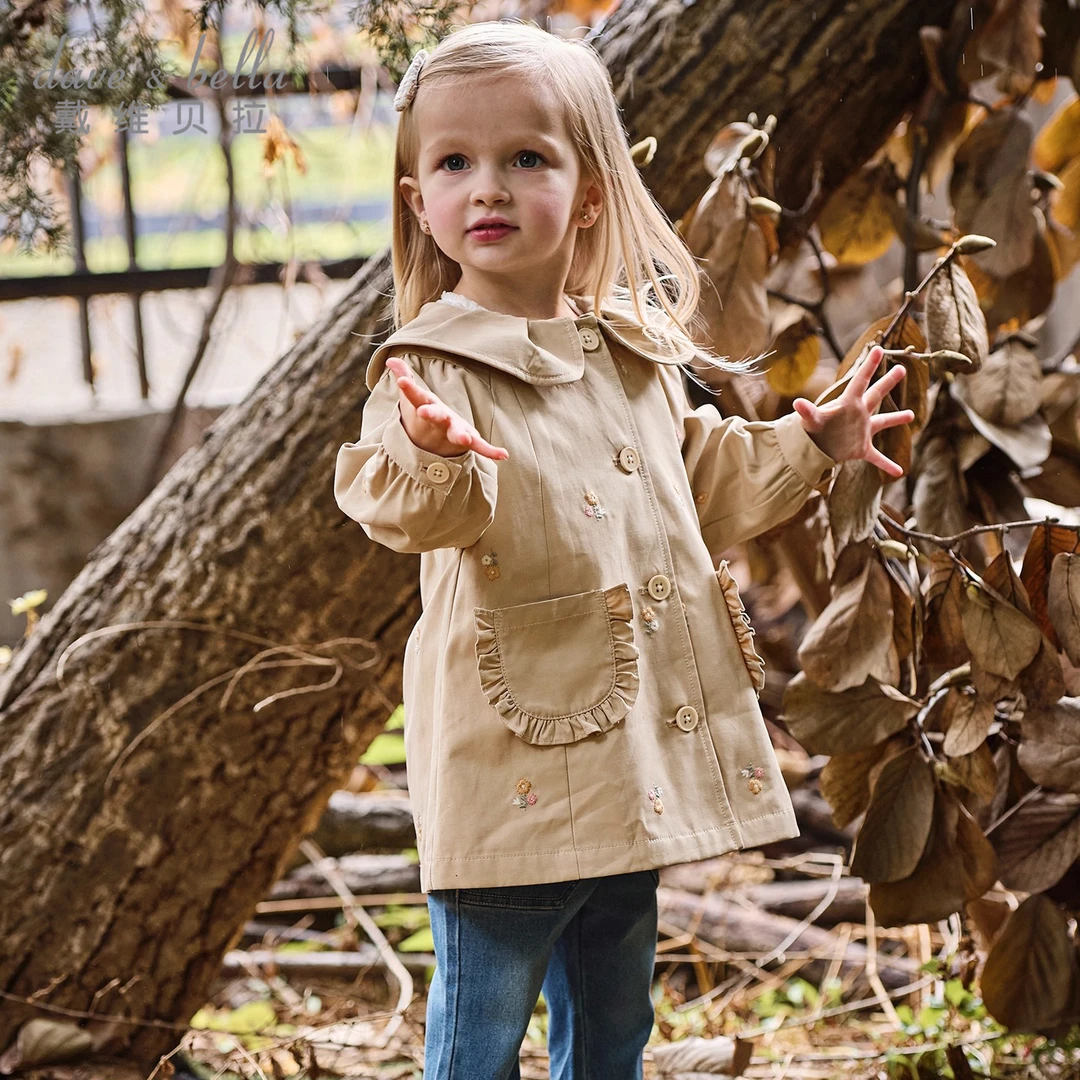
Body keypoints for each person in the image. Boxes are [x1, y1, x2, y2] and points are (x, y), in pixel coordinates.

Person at [333, 19, 914, 1080]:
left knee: (615, 1024)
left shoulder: (627, 352)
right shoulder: (429, 372)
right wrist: (431, 457)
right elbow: (406, 510)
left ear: (589, 192)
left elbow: (696, 485)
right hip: (510, 763)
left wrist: (807, 441)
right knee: (478, 1036)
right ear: (421, 203)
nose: (490, 188)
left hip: (625, 754)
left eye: (526, 159)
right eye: (455, 163)